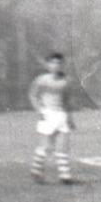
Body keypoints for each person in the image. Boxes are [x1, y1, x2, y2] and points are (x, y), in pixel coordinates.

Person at [27, 52, 76, 184]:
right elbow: (33, 95)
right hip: (48, 115)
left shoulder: (66, 81)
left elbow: (67, 101)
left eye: (59, 63)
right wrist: (39, 110)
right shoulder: (42, 80)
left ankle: (65, 176)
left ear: (62, 65)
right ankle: (36, 171)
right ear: (48, 65)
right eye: (53, 63)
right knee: (46, 147)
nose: (56, 65)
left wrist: (70, 118)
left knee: (62, 147)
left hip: (61, 115)